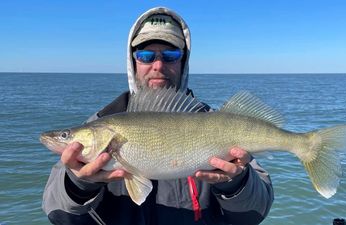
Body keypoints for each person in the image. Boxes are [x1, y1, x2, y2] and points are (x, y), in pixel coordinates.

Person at [42, 6, 274, 225]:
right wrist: (78, 184)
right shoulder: (102, 121)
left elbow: (255, 213)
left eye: (171, 55)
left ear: (183, 62)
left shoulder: (215, 121)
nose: (158, 65)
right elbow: (57, 214)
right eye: (146, 55)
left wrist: (236, 183)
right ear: (133, 61)